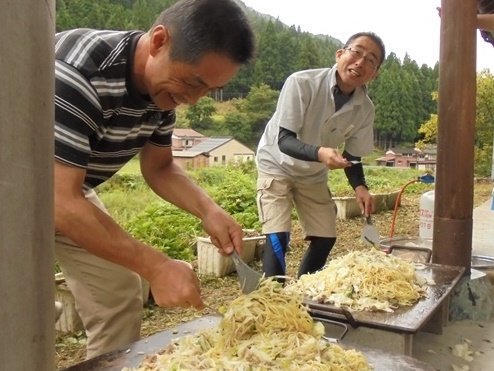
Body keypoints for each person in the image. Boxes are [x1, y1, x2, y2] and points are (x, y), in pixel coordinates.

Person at [54, 0, 255, 359]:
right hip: (24, 189)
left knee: (118, 291)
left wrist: (208, 210)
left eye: (207, 90)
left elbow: (160, 167)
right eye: (193, 82)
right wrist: (157, 266)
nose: (192, 100)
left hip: (64, 188)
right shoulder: (78, 72)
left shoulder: (163, 92)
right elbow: (60, 203)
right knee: (18, 318)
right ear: (159, 41)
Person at [255, 32, 385, 279]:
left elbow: (353, 156)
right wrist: (321, 152)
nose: (360, 62)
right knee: (278, 236)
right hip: (277, 163)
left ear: (375, 73)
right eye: (356, 52)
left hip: (313, 174)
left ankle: (304, 294)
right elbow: (284, 140)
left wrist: (360, 187)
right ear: (340, 54)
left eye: (371, 60)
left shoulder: (365, 109)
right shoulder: (301, 82)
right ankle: (274, 301)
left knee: (325, 237)